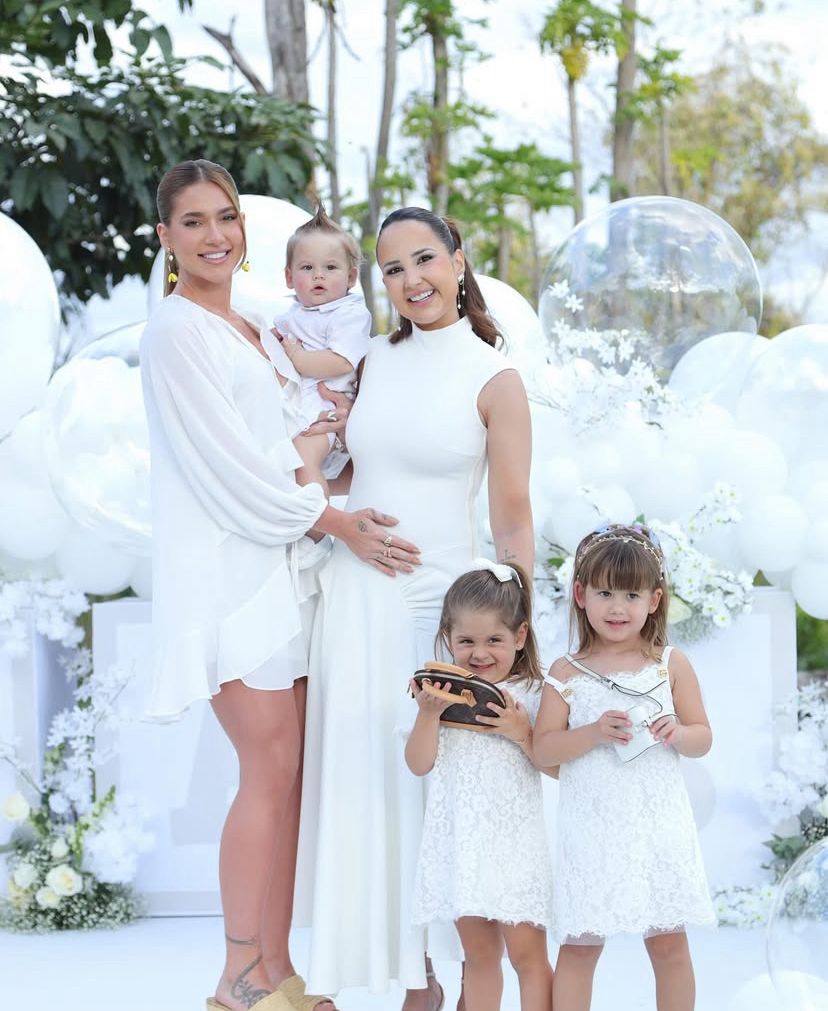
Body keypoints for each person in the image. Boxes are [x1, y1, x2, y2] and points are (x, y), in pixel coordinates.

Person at [140, 159, 420, 1011]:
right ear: (166, 237)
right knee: (266, 766)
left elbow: (295, 441)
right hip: (228, 578)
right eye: (193, 221)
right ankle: (235, 976)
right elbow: (228, 469)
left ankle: (277, 964)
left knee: (290, 772)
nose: (215, 235)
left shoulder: (259, 330)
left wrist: (346, 468)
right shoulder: (176, 331)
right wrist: (333, 520)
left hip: (283, 572)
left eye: (225, 217)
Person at [297, 207, 534, 1010]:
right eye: (392, 268)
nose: (410, 280)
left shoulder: (494, 378)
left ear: (459, 260)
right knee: (365, 786)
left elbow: (512, 519)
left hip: (441, 610)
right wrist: (328, 504)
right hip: (356, 603)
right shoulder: (370, 359)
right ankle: (391, 976)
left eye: (424, 259)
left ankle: (454, 979)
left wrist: (517, 636)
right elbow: (348, 470)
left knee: (439, 797)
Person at [532, 523, 716, 1011]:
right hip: (591, 829)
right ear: (580, 595)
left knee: (669, 945)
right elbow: (543, 750)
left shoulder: (669, 664)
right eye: (605, 593)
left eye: (632, 595)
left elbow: (703, 737)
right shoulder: (566, 671)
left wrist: (678, 731)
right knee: (580, 946)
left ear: (654, 600)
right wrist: (593, 732)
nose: (618, 607)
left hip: (657, 826)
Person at [405, 560, 554, 1011]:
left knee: (528, 956)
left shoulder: (533, 693)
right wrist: (428, 715)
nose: (480, 653)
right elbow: (418, 764)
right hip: (463, 846)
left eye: (494, 640)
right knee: (479, 956)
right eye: (466, 641)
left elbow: (556, 767)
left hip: (516, 847)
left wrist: (521, 732)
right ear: (448, 637)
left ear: (520, 636)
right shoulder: (442, 697)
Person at [273, 205, 371, 496]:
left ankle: (317, 522)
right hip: (293, 405)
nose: (319, 276)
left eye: (330, 268)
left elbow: (341, 362)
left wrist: (296, 357)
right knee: (280, 468)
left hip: (323, 411)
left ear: (351, 277)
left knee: (303, 464)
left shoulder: (349, 314)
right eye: (307, 268)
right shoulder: (294, 314)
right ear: (289, 277)